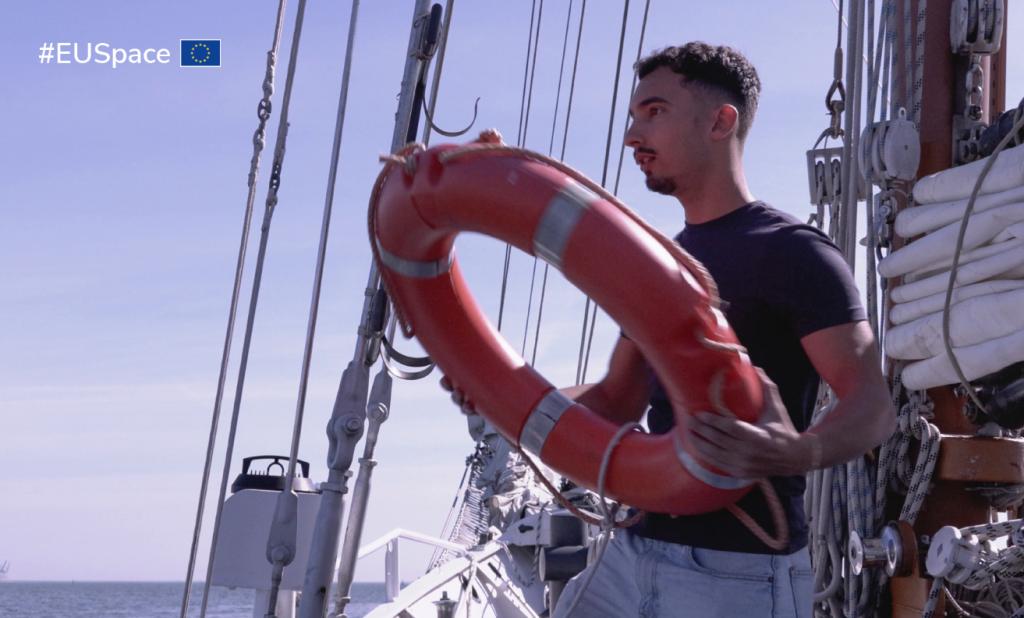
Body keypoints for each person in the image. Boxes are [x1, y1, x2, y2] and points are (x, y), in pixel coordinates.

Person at [542, 43, 897, 617]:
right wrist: (507, 399)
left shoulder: (795, 253)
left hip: (739, 571)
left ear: (720, 120)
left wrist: (801, 451)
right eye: (633, 117)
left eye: (653, 112)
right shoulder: (663, 262)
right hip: (630, 551)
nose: (632, 136)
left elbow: (873, 404)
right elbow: (617, 398)